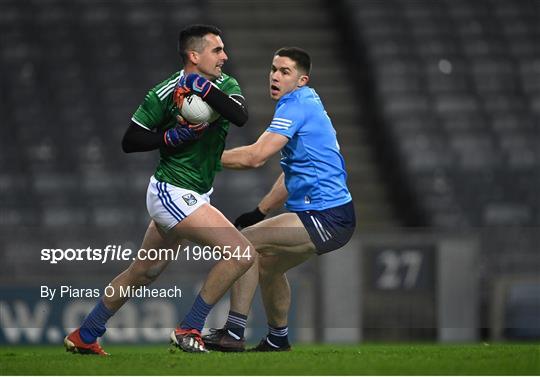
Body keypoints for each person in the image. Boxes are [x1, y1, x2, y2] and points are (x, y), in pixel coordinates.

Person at [64, 24, 254, 355]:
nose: (225, 56)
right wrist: (168, 137)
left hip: (194, 192)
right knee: (241, 253)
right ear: (195, 55)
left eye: (223, 49)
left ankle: (85, 333)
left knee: (144, 271)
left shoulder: (226, 84)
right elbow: (130, 140)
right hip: (172, 191)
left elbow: (240, 116)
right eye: (217, 50)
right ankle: (189, 328)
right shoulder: (165, 93)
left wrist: (205, 91)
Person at [202, 47, 356, 352]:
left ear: (302, 80)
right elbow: (292, 175)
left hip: (325, 215)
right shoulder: (304, 102)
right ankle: (277, 338)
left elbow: (255, 157)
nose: (274, 76)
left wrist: (203, 159)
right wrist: (260, 211)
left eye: (285, 72)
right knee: (268, 265)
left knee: (243, 244)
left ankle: (233, 332)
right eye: (273, 69)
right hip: (331, 214)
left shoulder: (295, 106)